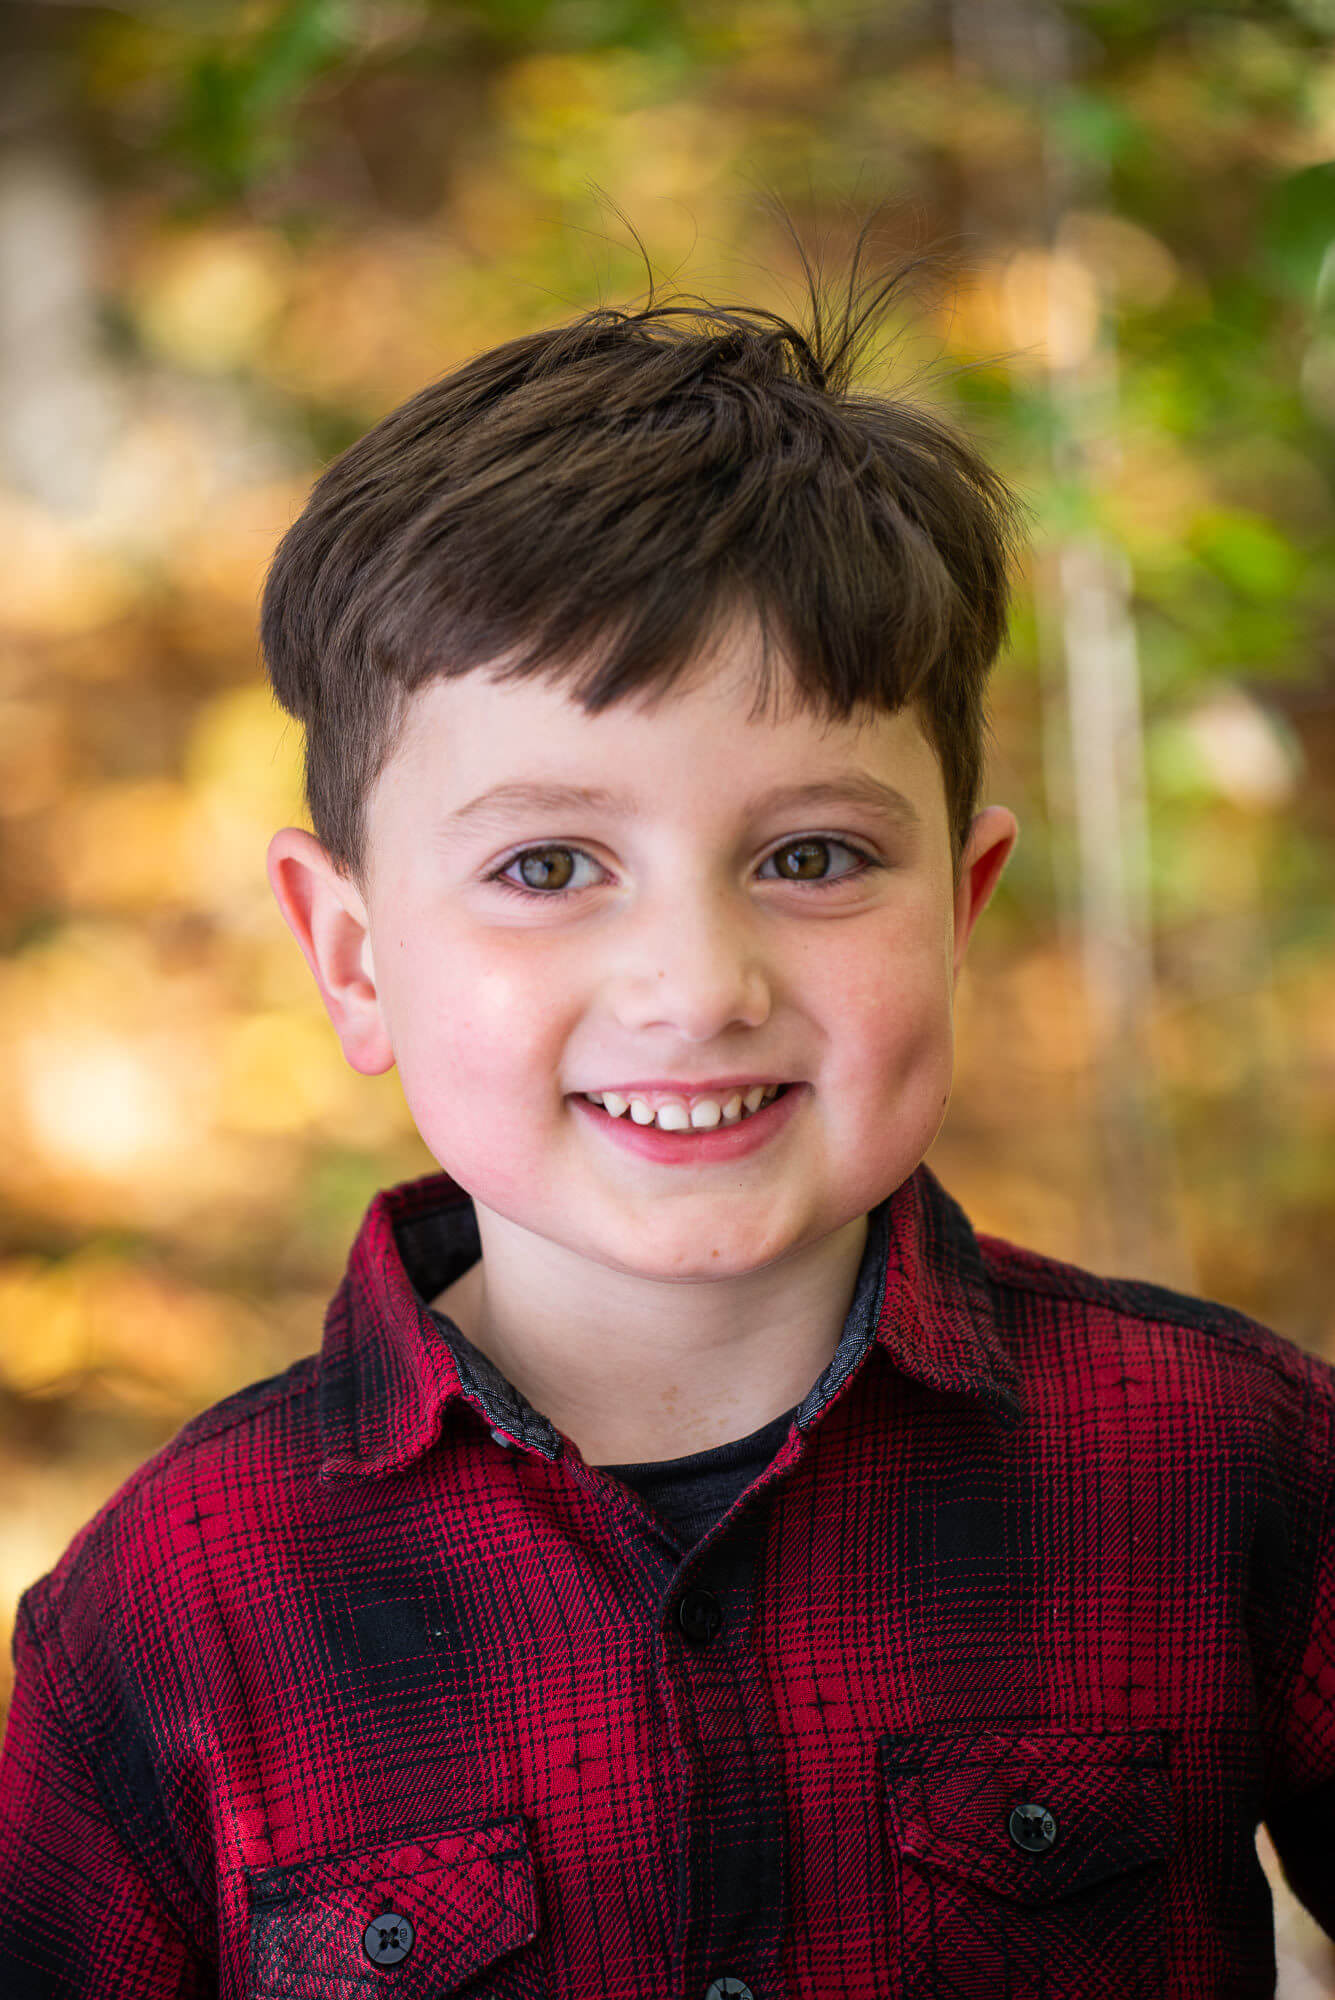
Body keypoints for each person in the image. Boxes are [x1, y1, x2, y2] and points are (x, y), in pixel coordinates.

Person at [0, 227, 1330, 2000]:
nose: (696, 982)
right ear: (352, 953)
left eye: (811, 856)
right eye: (550, 864)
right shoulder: (167, 1616)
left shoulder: (1235, 1464)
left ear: (963, 904)